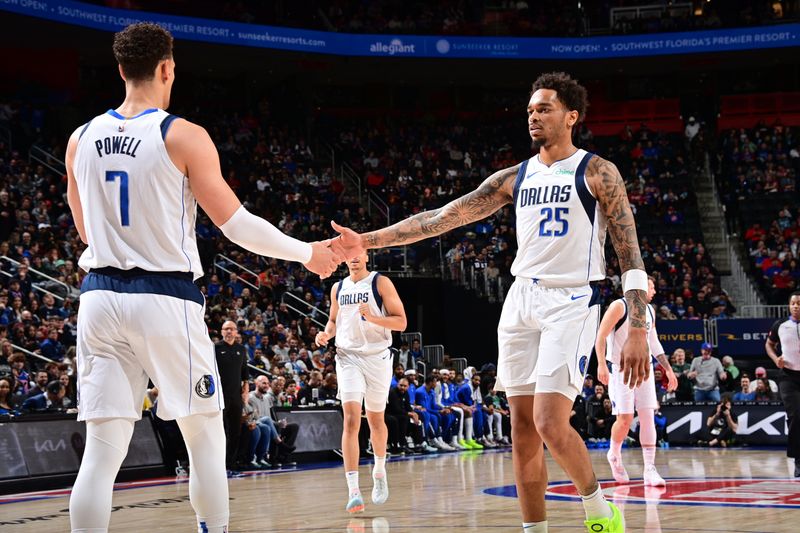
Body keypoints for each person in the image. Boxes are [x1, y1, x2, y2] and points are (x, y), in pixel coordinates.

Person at [332, 71, 650, 532]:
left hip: (572, 299)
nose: (534, 116)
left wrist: (637, 325)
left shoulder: (598, 171)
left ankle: (598, 508)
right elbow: (441, 218)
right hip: (521, 299)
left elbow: (629, 251)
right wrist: (367, 240)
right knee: (522, 432)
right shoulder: (514, 177)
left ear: (572, 115)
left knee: (549, 422)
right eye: (529, 110)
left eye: (544, 108)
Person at [66, 23, 341, 533]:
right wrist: (306, 252)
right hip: (165, 296)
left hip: (99, 297)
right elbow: (236, 225)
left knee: (102, 452)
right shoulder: (183, 135)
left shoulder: (79, 139)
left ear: (121, 70)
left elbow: (85, 229)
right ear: (167, 69)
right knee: (206, 438)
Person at [315, 251, 407, 513]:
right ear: (344, 259)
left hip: (377, 357)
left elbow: (401, 322)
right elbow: (333, 321)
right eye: (349, 255)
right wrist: (325, 334)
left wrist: (374, 318)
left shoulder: (380, 282)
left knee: (377, 420)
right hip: (347, 357)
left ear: (366, 256)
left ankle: (379, 471)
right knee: (351, 419)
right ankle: (353, 489)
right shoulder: (338, 287)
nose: (354, 258)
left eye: (358, 254)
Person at [595, 276, 678, 487]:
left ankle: (649, 468)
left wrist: (668, 370)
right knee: (625, 419)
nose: (654, 291)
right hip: (621, 369)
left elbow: (654, 342)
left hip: (645, 369)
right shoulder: (619, 306)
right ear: (640, 287)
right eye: (651, 286)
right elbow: (601, 336)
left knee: (648, 415)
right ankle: (614, 454)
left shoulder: (649, 311)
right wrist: (601, 365)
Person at [766, 292, 800, 476]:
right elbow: (769, 345)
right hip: (788, 377)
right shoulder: (780, 325)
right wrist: (774, 359)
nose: (796, 306)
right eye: (793, 303)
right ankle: (798, 459)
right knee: (795, 416)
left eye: (799, 303)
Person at [215, 320, 249, 475]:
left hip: (236, 396)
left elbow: (245, 373)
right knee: (220, 431)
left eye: (232, 329)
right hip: (219, 396)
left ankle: (231, 464)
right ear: (222, 332)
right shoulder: (214, 348)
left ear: (236, 332)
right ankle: (219, 465)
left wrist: (245, 390)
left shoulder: (241, 349)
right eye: (226, 329)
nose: (229, 331)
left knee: (235, 431)